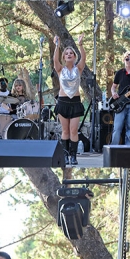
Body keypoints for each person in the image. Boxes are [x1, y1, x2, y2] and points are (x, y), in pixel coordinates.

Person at [53, 34, 86, 165]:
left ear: (74, 56)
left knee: (73, 130)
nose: (68, 55)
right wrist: (57, 45)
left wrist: (80, 45)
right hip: (63, 102)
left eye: (71, 53)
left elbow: (84, 58)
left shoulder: (78, 69)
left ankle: (73, 156)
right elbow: (55, 60)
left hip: (75, 102)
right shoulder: (60, 69)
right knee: (65, 130)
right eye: (66, 53)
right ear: (63, 57)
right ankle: (65, 155)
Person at [111, 51, 130, 145]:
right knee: (117, 127)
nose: (129, 61)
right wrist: (113, 93)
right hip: (120, 103)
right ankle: (113, 147)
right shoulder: (119, 73)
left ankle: (129, 147)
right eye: (127, 59)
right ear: (123, 60)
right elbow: (113, 87)